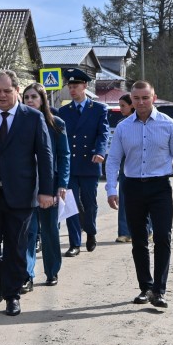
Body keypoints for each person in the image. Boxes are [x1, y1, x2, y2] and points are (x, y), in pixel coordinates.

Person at [105, 80, 173, 309]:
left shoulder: (168, 124)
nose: (141, 102)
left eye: (145, 97)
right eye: (136, 98)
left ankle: (159, 291)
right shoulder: (123, 127)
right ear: (131, 100)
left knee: (163, 236)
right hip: (132, 187)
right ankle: (145, 287)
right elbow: (113, 159)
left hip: (160, 187)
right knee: (139, 241)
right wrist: (111, 189)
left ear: (153, 98)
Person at [0, 70, 53, 316]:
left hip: (21, 193)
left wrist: (46, 191)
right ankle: (0, 276)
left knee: (16, 247)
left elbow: (45, 155)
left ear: (17, 91)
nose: (2, 95)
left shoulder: (32, 118)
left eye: (7, 91)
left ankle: (12, 296)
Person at [22, 82, 70, 288]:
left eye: (34, 97)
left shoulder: (56, 124)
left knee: (50, 231)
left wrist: (63, 184)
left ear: (42, 100)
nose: (30, 100)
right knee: (28, 232)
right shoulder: (19, 122)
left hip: (50, 186)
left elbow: (64, 155)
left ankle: (52, 271)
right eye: (26, 97)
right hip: (26, 186)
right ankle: (27, 275)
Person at [57, 68, 108, 257]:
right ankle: (74, 243)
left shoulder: (98, 109)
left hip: (90, 162)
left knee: (89, 203)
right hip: (70, 165)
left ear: (85, 86)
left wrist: (100, 151)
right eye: (70, 86)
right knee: (71, 203)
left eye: (76, 86)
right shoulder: (64, 111)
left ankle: (91, 232)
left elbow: (103, 134)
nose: (72, 90)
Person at [115, 94, 152, 242]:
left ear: (131, 105)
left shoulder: (146, 123)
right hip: (126, 168)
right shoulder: (121, 124)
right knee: (124, 201)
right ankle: (125, 232)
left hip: (144, 169)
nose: (121, 108)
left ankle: (148, 230)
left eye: (123, 105)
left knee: (146, 201)